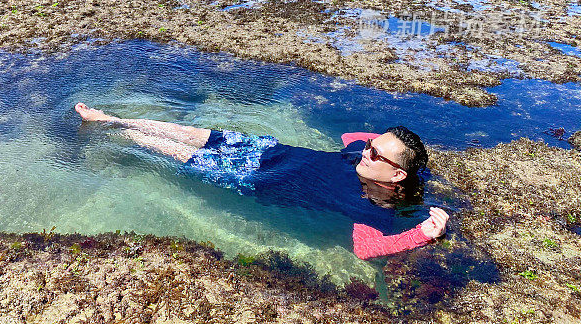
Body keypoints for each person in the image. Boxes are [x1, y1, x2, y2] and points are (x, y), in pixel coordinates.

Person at [74, 103, 449, 259]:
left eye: (375, 153)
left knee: (172, 151)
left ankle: (119, 134)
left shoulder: (372, 203)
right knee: (187, 133)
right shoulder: (360, 155)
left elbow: (366, 250)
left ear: (397, 175)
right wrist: (386, 149)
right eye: (371, 145)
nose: (365, 151)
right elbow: (351, 137)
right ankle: (110, 118)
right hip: (268, 150)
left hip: (256, 177)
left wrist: (423, 234)